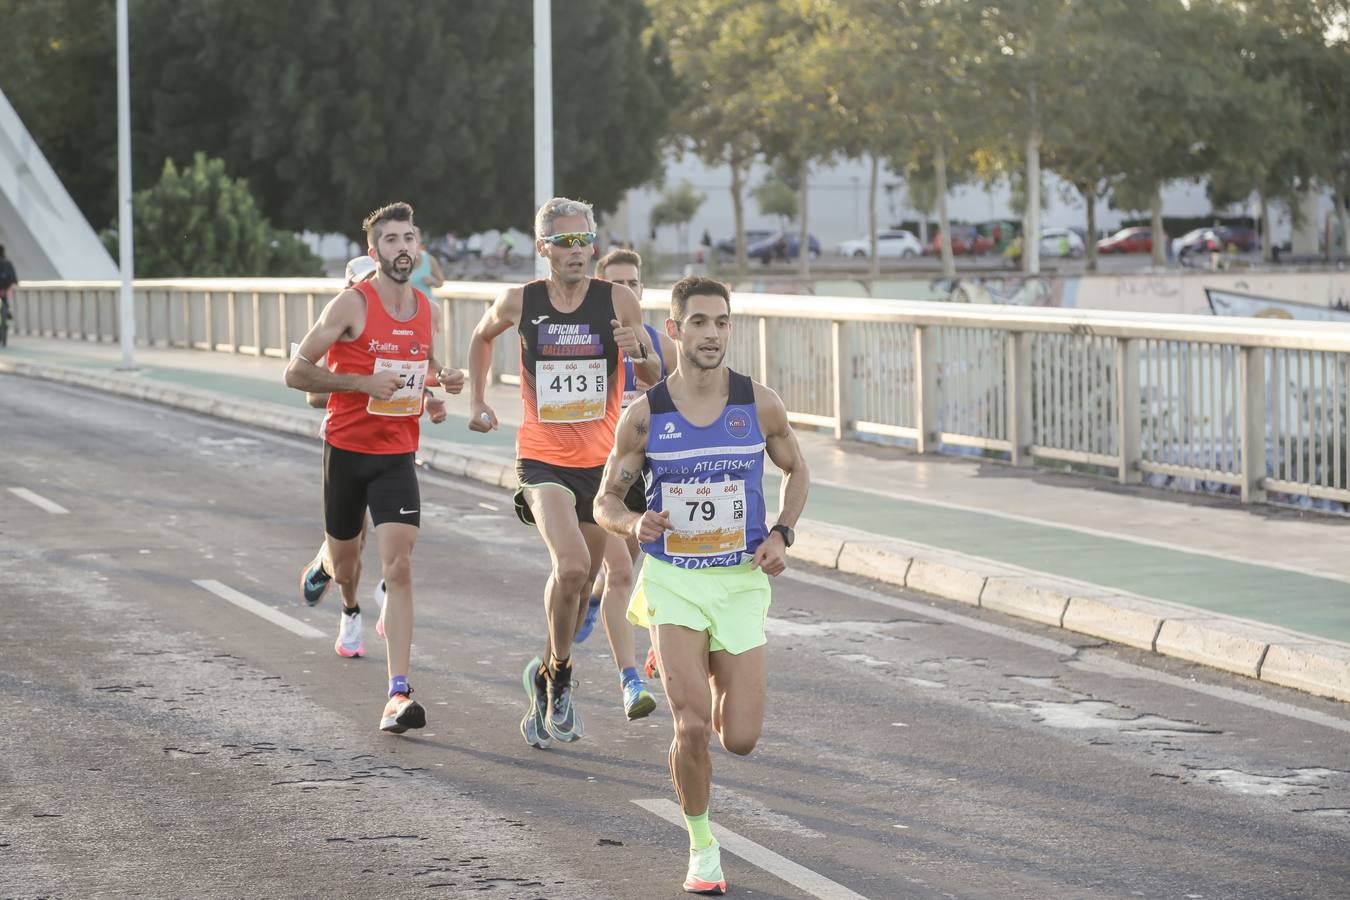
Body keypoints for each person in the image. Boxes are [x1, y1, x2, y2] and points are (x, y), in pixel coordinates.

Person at [594, 275, 809, 895]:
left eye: (721, 322)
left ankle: (692, 663)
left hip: (740, 582)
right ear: (676, 328)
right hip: (676, 580)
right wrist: (634, 521)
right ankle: (702, 846)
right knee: (689, 728)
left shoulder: (758, 403)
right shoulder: (646, 416)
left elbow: (798, 471)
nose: (711, 334)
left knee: (738, 738)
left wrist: (782, 533)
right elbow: (605, 500)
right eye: (698, 323)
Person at [467, 196, 661, 749]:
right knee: (573, 567)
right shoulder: (519, 301)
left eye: (584, 241)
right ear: (542, 248)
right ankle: (564, 676)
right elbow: (482, 337)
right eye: (565, 242)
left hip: (602, 467)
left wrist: (639, 348)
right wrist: (477, 401)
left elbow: (650, 370)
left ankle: (550, 671)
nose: (577, 252)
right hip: (543, 458)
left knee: (579, 590)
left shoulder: (618, 299)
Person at [284, 201, 465, 734]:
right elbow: (296, 373)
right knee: (347, 563)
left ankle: (398, 693)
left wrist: (441, 384)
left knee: (400, 567)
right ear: (374, 251)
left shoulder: (428, 310)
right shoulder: (350, 306)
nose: (402, 248)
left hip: (395, 456)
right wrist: (360, 385)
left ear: (420, 247)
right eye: (391, 240)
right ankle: (345, 601)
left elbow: (420, 369)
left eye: (410, 238)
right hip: (346, 451)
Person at [572, 248, 676, 722]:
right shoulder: (583, 339)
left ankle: (593, 599)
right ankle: (630, 681)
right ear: (601, 289)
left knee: (638, 567)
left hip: (647, 475)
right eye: (617, 284)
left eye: (634, 283)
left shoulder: (660, 344)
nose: (627, 292)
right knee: (619, 572)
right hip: (598, 472)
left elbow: (670, 393)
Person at [408, 227, 446, 300]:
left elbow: (440, 282)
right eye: (409, 237)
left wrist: (432, 281)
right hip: (406, 308)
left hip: (428, 305)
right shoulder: (398, 261)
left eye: (416, 236)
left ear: (420, 239)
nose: (413, 240)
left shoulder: (429, 259)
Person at [0, 245, 18, 348]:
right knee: (5, 308)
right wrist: (8, 290)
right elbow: (14, 280)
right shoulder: (8, 263)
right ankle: (7, 314)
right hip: (4, 292)